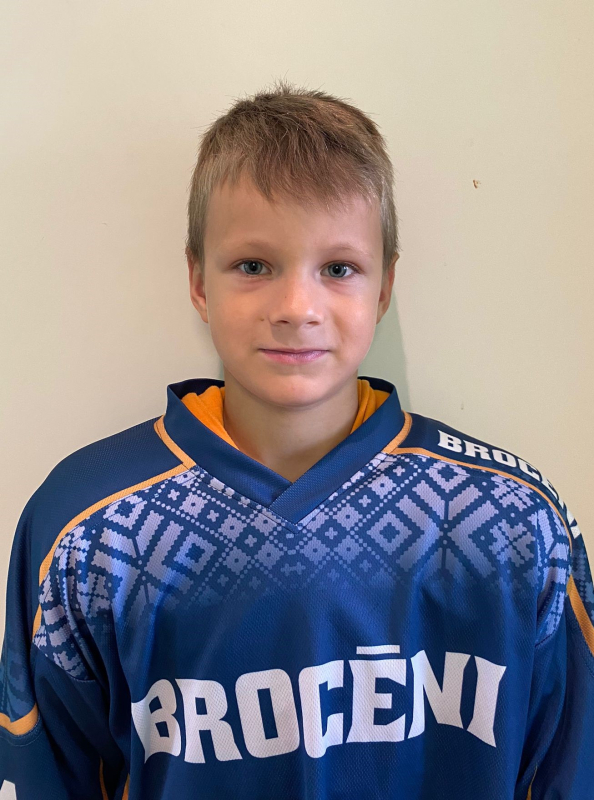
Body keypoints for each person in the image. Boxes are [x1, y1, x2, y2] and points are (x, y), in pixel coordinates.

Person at [0, 78, 592, 800]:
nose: (296, 308)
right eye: (254, 266)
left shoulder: (508, 521)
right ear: (198, 280)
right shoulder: (87, 525)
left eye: (338, 269)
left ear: (384, 286)